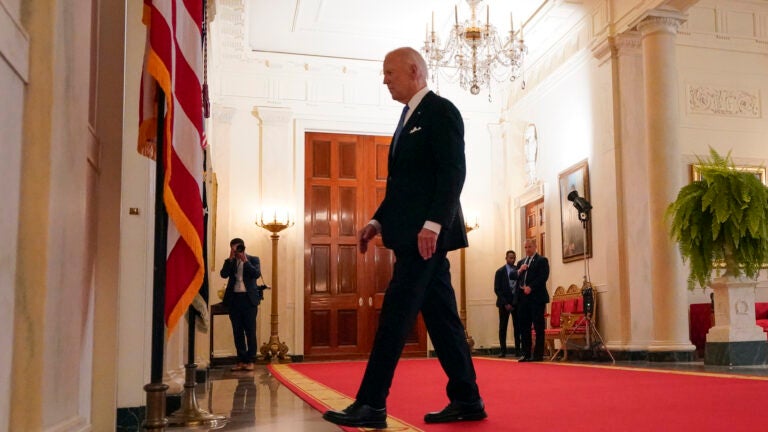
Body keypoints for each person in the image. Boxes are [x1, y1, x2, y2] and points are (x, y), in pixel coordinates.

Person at [322, 47, 486, 429]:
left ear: (413, 70)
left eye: (389, 72)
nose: (384, 79)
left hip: (423, 239)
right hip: (411, 234)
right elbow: (402, 187)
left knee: (395, 316)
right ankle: (468, 399)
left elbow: (453, 173)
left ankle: (372, 404)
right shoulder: (405, 118)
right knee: (444, 321)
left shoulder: (441, 111)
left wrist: (433, 225)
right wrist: (377, 223)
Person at [219, 237, 262, 372]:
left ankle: (250, 360)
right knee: (237, 331)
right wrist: (231, 259)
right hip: (234, 300)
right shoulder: (230, 262)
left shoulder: (253, 259)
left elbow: (256, 274)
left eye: (239, 248)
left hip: (249, 300)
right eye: (234, 249)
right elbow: (223, 274)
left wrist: (245, 261)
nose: (237, 251)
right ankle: (241, 360)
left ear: (243, 247)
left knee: (250, 331)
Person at [511, 238, 550, 362]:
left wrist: (531, 287)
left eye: (529, 247)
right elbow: (512, 276)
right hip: (523, 299)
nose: (527, 249)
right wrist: (520, 270)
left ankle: (538, 354)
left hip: (536, 298)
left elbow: (543, 276)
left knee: (538, 326)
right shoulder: (521, 262)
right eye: (525, 247)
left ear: (535, 247)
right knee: (524, 327)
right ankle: (526, 353)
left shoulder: (542, 260)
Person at [493, 250, 521, 357]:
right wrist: (506, 303)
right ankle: (503, 350)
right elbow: (497, 289)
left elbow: (518, 288)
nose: (512, 260)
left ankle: (518, 350)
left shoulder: (518, 271)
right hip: (503, 304)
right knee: (503, 327)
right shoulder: (499, 272)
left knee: (517, 327)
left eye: (514, 258)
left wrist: (514, 303)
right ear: (506, 258)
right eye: (510, 258)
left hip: (516, 303)